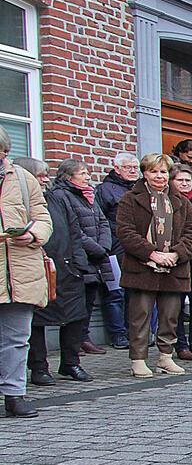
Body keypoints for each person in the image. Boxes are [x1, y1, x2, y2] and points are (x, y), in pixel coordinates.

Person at [115, 153, 192, 378]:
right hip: (142, 267)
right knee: (140, 315)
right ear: (145, 173)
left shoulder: (182, 201)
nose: (159, 176)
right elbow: (125, 232)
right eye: (154, 171)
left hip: (174, 268)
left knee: (170, 316)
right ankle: (138, 359)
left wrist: (176, 254)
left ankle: (165, 357)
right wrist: (152, 253)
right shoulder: (130, 199)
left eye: (163, 172)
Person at [28, 161, 92, 384]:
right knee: (36, 322)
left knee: (75, 317)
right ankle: (39, 368)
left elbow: (74, 231)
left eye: (46, 175)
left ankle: (70, 363)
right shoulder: (20, 203)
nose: (45, 180)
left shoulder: (58, 199)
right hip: (35, 271)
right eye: (39, 176)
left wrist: (79, 265)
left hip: (67, 269)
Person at [3, 152, 53, 415]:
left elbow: (43, 218)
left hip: (20, 270)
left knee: (17, 338)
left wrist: (34, 234)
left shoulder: (24, 179)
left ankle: (14, 394)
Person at [94, 151, 139, 349]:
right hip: (114, 248)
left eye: (135, 167)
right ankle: (117, 334)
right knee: (115, 293)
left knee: (135, 293)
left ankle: (134, 332)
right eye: (128, 167)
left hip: (136, 249)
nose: (132, 170)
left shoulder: (140, 189)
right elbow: (99, 220)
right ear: (117, 168)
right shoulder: (105, 190)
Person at [169, 164, 192, 361]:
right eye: (180, 180)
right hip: (177, 259)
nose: (184, 183)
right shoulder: (168, 201)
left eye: (188, 180)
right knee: (177, 307)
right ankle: (180, 345)